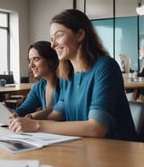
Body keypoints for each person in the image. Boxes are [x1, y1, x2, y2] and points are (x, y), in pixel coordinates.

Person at [9, 9, 139, 141]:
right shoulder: (67, 75)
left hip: (118, 151)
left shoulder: (105, 67)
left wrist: (37, 125)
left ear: (80, 34)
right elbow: (58, 114)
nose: (53, 45)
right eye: (52, 39)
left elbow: (96, 128)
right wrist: (27, 119)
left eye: (58, 36)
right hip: (85, 148)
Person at [0, 41, 59, 124]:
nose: (31, 65)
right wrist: (7, 112)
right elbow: (24, 110)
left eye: (36, 59)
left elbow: (57, 112)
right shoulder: (38, 87)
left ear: (50, 61)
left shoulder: (65, 85)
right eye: (29, 60)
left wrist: (30, 117)